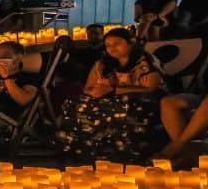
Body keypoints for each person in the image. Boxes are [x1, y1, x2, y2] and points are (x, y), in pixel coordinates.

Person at [66, 29, 162, 160]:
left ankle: (123, 150)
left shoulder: (145, 63)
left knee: (118, 109)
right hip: (106, 101)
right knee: (75, 105)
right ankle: (87, 149)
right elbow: (88, 88)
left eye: (117, 43)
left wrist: (115, 90)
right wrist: (97, 91)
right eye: (108, 45)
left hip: (138, 103)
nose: (112, 48)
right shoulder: (102, 65)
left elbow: (150, 89)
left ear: (131, 43)